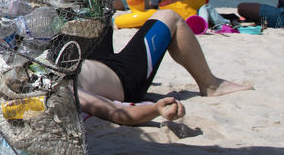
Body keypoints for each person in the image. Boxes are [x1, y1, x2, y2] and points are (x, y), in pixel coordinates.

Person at [76, 9, 251, 125]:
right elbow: (117, 112)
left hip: (81, 57)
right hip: (122, 76)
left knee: (96, 8)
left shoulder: (58, 78)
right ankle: (210, 85)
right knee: (170, 17)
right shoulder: (65, 89)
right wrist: (156, 109)